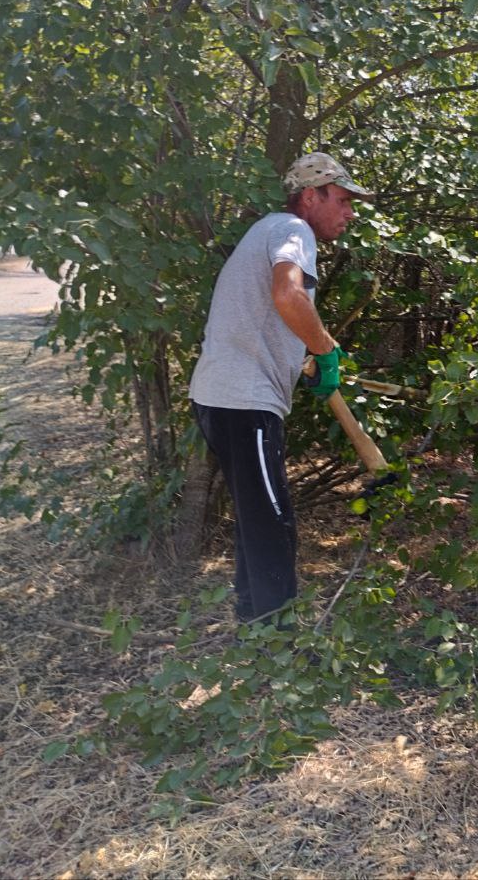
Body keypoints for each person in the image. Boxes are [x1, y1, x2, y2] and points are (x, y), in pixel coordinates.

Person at [189, 153, 375, 622]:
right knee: (273, 523)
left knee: (257, 521)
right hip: (243, 400)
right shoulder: (294, 230)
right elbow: (287, 295)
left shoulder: (268, 230)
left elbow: (269, 315)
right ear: (310, 197)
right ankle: (277, 646)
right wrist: (326, 350)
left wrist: (312, 355)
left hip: (221, 397)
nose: (350, 212)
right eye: (344, 199)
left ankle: (255, 626)